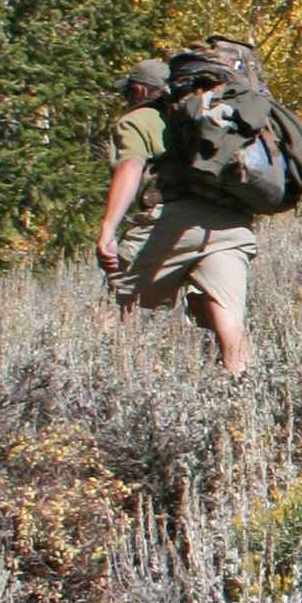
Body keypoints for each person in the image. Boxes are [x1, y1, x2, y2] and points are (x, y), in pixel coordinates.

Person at [96, 56, 257, 377]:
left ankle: (101, 382)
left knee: (114, 304)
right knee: (229, 319)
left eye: (129, 92)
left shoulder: (138, 121)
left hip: (172, 222)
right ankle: (242, 393)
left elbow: (130, 168)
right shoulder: (208, 115)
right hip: (231, 223)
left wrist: (108, 229)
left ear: (139, 90)